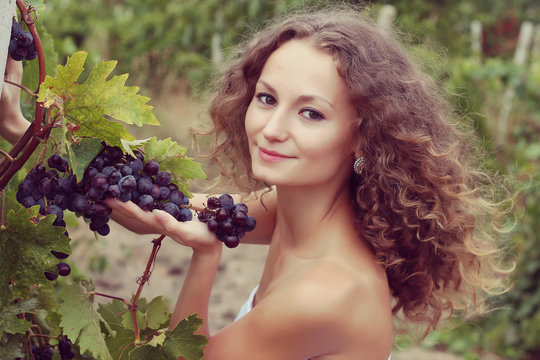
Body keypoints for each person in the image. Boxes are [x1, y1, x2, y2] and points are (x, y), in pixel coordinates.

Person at [2, 6, 510, 360]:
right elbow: (161, 204)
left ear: (362, 137)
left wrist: (205, 256)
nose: (271, 129)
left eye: (311, 113)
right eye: (267, 99)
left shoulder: (330, 292)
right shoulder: (291, 208)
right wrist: (26, 129)